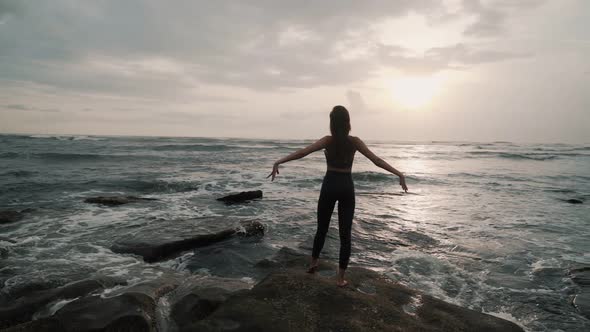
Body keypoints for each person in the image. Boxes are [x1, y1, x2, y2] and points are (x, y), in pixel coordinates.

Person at [267, 105, 408, 287]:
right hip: (346, 187)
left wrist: (279, 161)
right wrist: (399, 174)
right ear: (348, 123)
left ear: (332, 123)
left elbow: (303, 152)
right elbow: (377, 161)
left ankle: (313, 264)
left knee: (321, 229)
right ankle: (341, 278)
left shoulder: (328, 140)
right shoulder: (355, 141)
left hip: (330, 185)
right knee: (345, 234)